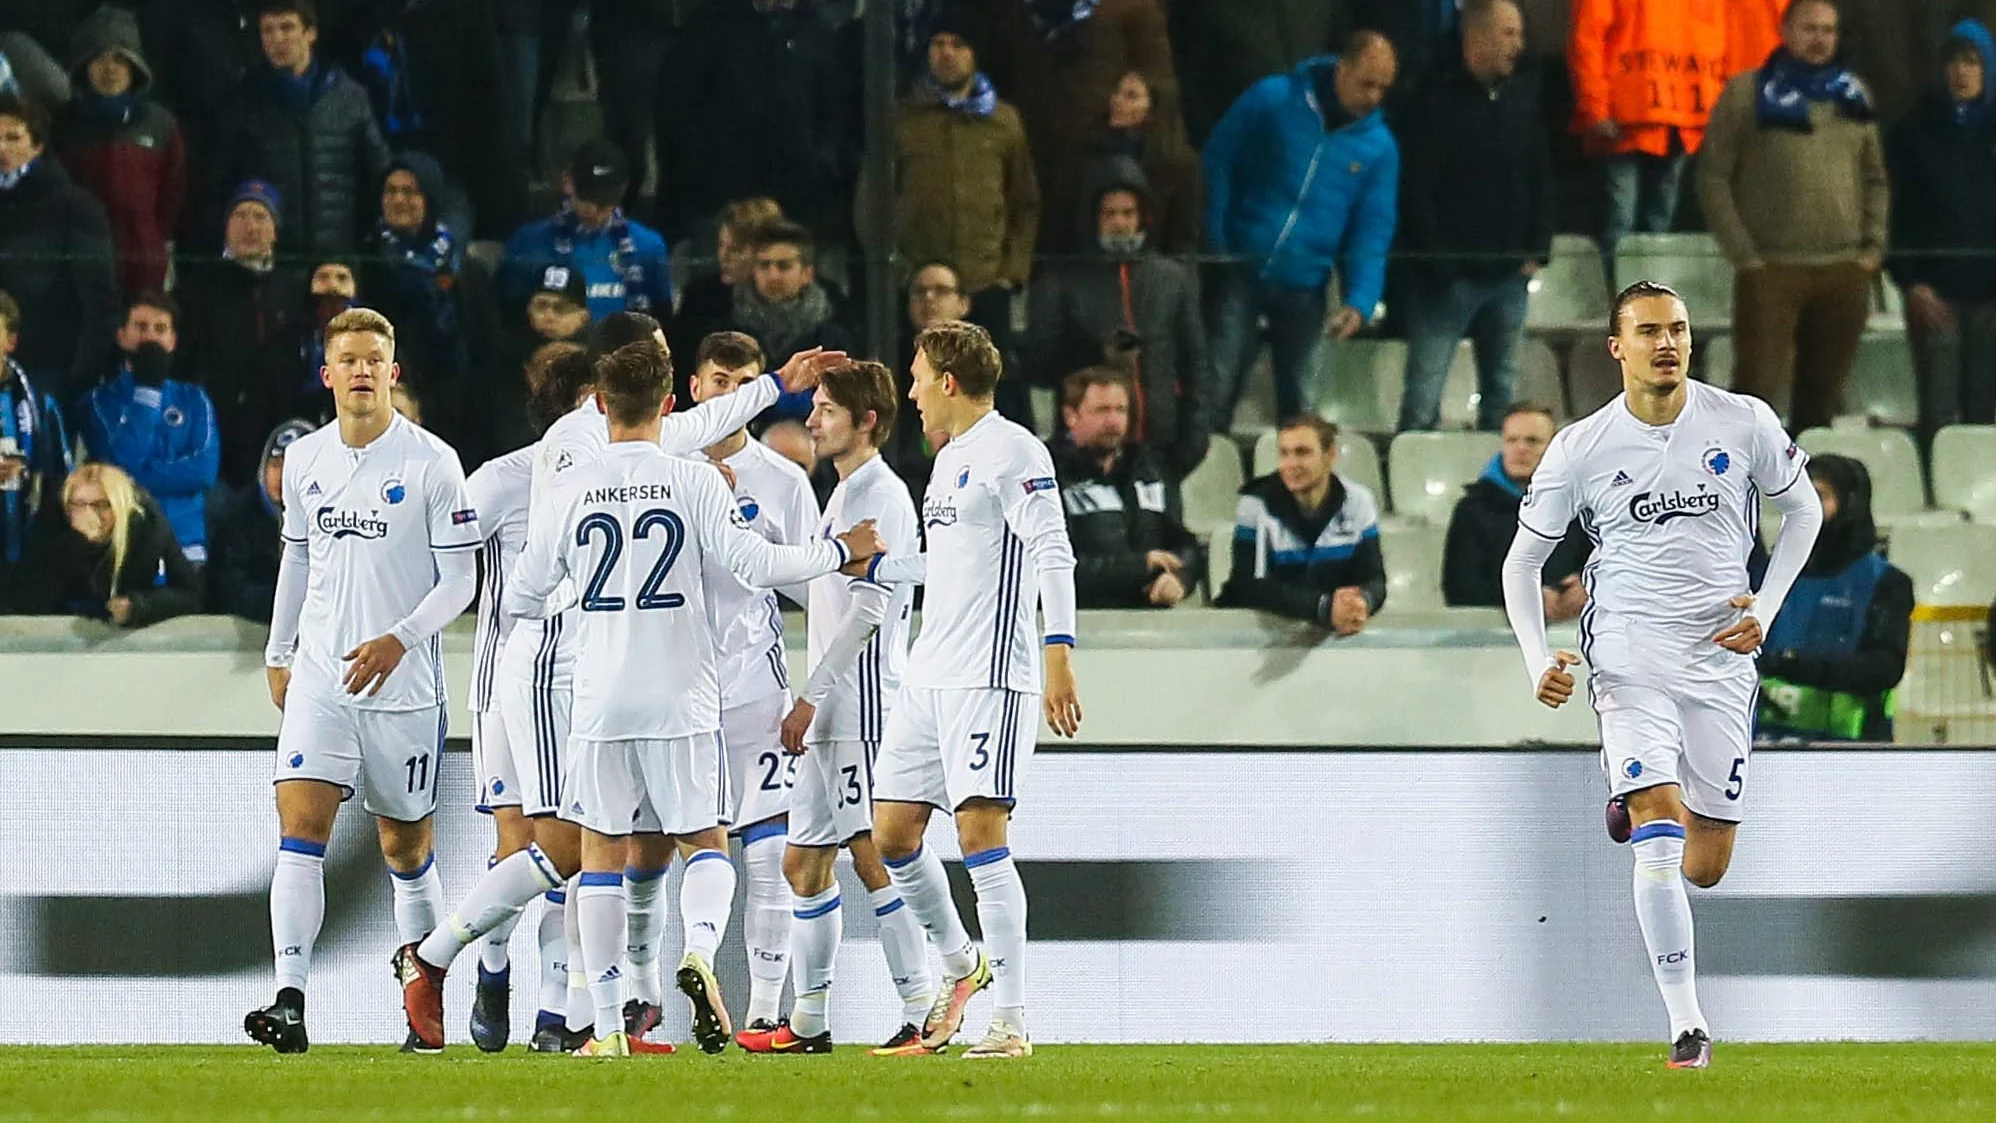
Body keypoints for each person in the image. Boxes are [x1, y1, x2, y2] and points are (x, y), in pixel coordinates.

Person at [408, 336, 877, 1060]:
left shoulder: (568, 481)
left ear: (602, 401)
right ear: (668, 400)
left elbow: (526, 592)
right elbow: (756, 564)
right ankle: (695, 951)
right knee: (706, 841)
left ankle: (602, 1024)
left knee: (597, 854)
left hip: (595, 693)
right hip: (681, 691)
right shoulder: (693, 478)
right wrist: (841, 550)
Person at [1501, 280, 1825, 1069]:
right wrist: (1539, 659)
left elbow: (1805, 511)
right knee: (1659, 831)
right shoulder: (1581, 445)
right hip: (1629, 652)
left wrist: (1769, 608)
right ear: (1618, 347)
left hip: (1720, 656)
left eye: (1677, 328)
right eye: (1648, 331)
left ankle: (1640, 802)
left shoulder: (1741, 420)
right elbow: (1523, 561)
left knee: (1705, 867)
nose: (1667, 342)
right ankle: (1688, 1025)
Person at [245, 308, 483, 1056]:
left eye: (372, 359)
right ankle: (290, 999)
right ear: (327, 373)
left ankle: (424, 1002)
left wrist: (399, 638)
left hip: (404, 686)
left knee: (406, 848)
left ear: (393, 370)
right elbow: (299, 559)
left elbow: (462, 580)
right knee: (299, 831)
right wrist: (279, 652)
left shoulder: (432, 463)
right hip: (321, 676)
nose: (359, 370)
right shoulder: (308, 460)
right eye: (346, 359)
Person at [863, 320, 1081, 1059]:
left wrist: (1059, 652)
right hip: (929, 675)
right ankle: (963, 967)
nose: (913, 392)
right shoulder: (950, 458)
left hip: (990, 674)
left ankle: (1012, 1022)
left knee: (981, 837)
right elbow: (954, 565)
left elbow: (1053, 548)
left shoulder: (1014, 450)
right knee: (891, 832)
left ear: (949, 381)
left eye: (919, 376)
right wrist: (881, 567)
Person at [623, 331, 824, 1043]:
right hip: (671, 687)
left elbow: (817, 590)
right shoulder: (657, 469)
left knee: (767, 844)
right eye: (720, 379)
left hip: (751, 691)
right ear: (694, 389)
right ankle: (641, 1003)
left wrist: (818, 690)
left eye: (746, 378)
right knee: (647, 845)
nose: (733, 390)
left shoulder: (783, 480)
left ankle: (766, 1008)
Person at [736, 360, 938, 1054]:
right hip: (833, 707)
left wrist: (809, 696)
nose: (813, 420)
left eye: (825, 409)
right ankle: (811, 1021)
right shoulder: (846, 491)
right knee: (803, 863)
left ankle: (923, 1008)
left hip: (861, 700)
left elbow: (871, 611)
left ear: (866, 421)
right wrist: (762, 555)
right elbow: (826, 594)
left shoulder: (880, 493)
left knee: (872, 850)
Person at [450, 343, 597, 1054]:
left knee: (568, 844)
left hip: (586, 680)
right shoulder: (500, 480)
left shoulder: (612, 479)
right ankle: (493, 964)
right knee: (520, 843)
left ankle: (553, 1010)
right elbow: (438, 550)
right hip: (504, 685)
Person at [1698, 0, 1887, 433]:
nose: (1820, 39)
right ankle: (1741, 493)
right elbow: (1712, 177)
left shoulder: (1853, 96)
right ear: (1784, 30)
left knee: (1823, 401)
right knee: (1755, 395)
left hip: (1844, 270)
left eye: (1828, 30)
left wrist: (1872, 248)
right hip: (1772, 268)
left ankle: (1809, 492)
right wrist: (1745, 256)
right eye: (1810, 29)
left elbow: (1876, 177)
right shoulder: (1745, 93)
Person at [1203, 34, 1400, 428]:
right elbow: (1218, 160)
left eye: (1383, 87)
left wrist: (1360, 299)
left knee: (1300, 404)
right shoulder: (1272, 99)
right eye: (1367, 83)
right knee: (1216, 388)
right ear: (1342, 69)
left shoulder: (1379, 148)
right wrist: (1216, 236)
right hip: (1241, 265)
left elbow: (1372, 228)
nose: (1375, 96)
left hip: (1306, 286)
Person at [1395, 0, 1550, 434]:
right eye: (1508, 34)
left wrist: (1537, 249)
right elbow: (1416, 194)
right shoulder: (1431, 101)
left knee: (1502, 398)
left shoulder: (1523, 97)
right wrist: (1441, 266)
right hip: (1448, 282)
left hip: (1508, 277)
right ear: (1475, 38)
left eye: (1519, 34)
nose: (1518, 45)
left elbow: (1541, 176)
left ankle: (1497, 494)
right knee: (1422, 397)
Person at [1028, 158, 1210, 477]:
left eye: (1128, 213)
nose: (1120, 223)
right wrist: (1096, 353)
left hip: (1160, 452)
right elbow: (1040, 365)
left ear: (1144, 218)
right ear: (1092, 218)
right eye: (1109, 214)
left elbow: (1195, 366)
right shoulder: (1062, 280)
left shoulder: (1171, 278)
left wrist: (1192, 443)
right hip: (1085, 457)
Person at [875, 13, 1039, 337]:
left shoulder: (1004, 121)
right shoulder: (901, 119)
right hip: (919, 286)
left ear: (975, 54)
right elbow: (874, 200)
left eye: (958, 44)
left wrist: (1011, 272)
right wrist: (898, 267)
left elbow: (1025, 200)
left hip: (985, 283)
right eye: (938, 44)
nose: (947, 53)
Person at [973, 0, 1182, 255]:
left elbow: (1161, 85)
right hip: (1035, 166)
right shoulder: (1019, 11)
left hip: (1104, 170)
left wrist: (1144, 98)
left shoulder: (1132, 6)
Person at [654, 0, 860, 239]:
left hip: (798, 194)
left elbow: (835, 106)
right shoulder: (711, 25)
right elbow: (678, 105)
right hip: (722, 196)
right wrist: (703, 169)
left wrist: (821, 161)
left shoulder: (815, 29)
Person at [1886, 21, 1996, 448]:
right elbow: (1897, 214)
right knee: (1938, 409)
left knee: (1982, 410)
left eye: (1971, 62)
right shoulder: (1914, 131)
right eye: (1953, 61)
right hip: (1934, 297)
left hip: (1989, 300)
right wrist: (1913, 284)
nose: (1961, 72)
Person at [212, 2, 391, 255]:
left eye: (287, 28)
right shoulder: (243, 102)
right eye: (268, 31)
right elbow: (221, 184)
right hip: (269, 260)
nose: (277, 39)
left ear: (311, 33)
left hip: (336, 259)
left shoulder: (350, 98)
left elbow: (379, 175)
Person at [1755, 455, 1912, 743]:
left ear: (1850, 506)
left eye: (1820, 496)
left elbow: (1884, 667)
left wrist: (1793, 665)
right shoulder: (1770, 573)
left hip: (1850, 752)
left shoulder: (1886, 583)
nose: (1807, 506)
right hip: (1765, 744)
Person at [1567, 0, 1726, 260]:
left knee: (1650, 231)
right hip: (1627, 123)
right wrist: (1595, 106)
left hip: (1673, 123)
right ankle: (1620, 297)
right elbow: (1587, 37)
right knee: (1626, 226)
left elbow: (1718, 41)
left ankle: (1643, 296)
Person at [177, 179, 307, 488]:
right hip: (218, 437)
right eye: (241, 215)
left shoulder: (294, 290)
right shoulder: (196, 288)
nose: (250, 225)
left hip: (278, 439)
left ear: (276, 230)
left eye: (260, 217)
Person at [74, 291, 220, 563]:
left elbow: (204, 471)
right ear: (121, 336)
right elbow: (118, 472)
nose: (150, 337)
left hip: (186, 546)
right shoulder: (97, 402)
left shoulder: (194, 399)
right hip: (123, 546)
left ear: (173, 340)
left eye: (160, 328)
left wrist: (140, 475)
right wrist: (147, 392)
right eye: (141, 327)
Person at [57, 3, 187, 296]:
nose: (109, 69)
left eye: (119, 59)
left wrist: (157, 245)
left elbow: (173, 195)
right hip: (81, 271)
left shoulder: (160, 124)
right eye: (99, 58)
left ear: (135, 66)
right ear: (84, 66)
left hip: (145, 269)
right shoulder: (65, 125)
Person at [0, 92, 119, 406]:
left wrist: (80, 374)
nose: (2, 148)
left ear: (37, 146)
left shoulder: (75, 207)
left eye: (13, 137)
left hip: (48, 371)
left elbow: (99, 300)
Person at [1217, 415, 1386, 633]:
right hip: (1259, 640)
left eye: (1302, 452)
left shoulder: (1358, 501)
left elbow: (1375, 579)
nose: (1291, 464)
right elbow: (1250, 586)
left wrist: (1362, 602)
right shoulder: (1255, 504)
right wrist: (1323, 608)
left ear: (1330, 455)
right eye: (1284, 453)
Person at [1052, 368, 1203, 609]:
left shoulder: (1151, 469)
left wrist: (1179, 579)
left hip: (1149, 627)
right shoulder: (1046, 474)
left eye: (1120, 410)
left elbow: (1184, 544)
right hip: (1080, 625)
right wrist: (1139, 566)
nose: (1113, 421)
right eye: (1102, 410)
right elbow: (1050, 568)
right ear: (1071, 415)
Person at [361, 152, 472, 452]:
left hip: (448, 401)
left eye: (410, 191)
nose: (399, 199)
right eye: (391, 191)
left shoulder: (458, 265)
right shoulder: (365, 257)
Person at [498, 138, 672, 324]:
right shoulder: (528, 242)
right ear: (568, 183)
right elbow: (506, 319)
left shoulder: (648, 246)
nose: (595, 210)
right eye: (588, 198)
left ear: (623, 189)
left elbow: (662, 320)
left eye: (605, 201)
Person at [3, 461, 201, 625]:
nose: (89, 514)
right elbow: (23, 602)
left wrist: (139, 606)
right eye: (78, 504)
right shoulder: (53, 520)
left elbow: (191, 595)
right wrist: (75, 543)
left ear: (119, 507)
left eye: (101, 505)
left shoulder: (147, 524)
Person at [1442, 402, 1590, 616]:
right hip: (1495, 640)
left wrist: (1589, 587)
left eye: (1533, 441)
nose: (1521, 448)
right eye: (1512, 440)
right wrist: (1528, 599)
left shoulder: (1583, 504)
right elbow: (1460, 590)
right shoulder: (1472, 509)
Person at [1047, 71, 1202, 257]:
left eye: (1131, 96)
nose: (1117, 101)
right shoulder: (1084, 150)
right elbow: (1062, 218)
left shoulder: (1178, 162)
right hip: (1085, 267)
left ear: (1153, 109)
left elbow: (1184, 235)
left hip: (1153, 270)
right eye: (1117, 93)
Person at [726, 221, 856, 423]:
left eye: (783, 266)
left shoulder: (833, 334)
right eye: (764, 266)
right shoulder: (729, 331)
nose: (773, 275)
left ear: (807, 274)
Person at [669, 196, 784, 392]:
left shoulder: (814, 303)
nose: (724, 256)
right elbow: (680, 369)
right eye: (721, 245)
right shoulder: (701, 297)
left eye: (735, 250)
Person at [207, 418, 313, 622]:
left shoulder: (341, 519)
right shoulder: (236, 517)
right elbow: (229, 591)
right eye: (276, 465)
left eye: (296, 466)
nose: (283, 476)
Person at [0, 291, 72, 571]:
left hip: (26, 557)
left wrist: (26, 475)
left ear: (11, 341)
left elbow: (61, 479)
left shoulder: (40, 403)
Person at [488, 267, 591, 459]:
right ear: (529, 310)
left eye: (562, 308)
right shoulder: (506, 360)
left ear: (583, 317)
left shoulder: (602, 361)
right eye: (541, 306)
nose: (549, 316)